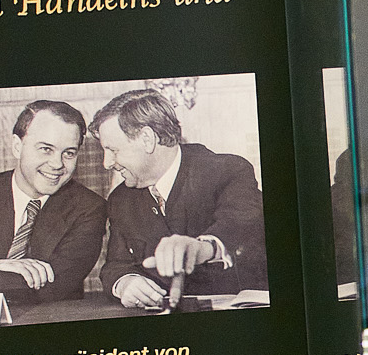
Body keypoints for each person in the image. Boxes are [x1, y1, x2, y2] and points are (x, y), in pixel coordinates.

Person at [91, 88, 266, 307]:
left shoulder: (227, 171)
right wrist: (126, 282)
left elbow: (242, 223)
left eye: (113, 150)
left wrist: (202, 248)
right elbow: (115, 266)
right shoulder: (121, 200)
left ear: (147, 139)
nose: (106, 163)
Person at [0, 99, 106, 303]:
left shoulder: (89, 208)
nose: (57, 164)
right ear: (17, 146)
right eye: (46, 149)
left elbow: (54, 285)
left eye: (69, 153)